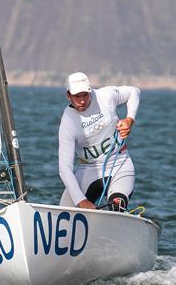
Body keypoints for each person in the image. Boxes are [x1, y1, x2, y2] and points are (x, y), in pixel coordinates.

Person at [58, 72, 140, 211]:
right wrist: (82, 201)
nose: (82, 100)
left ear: (90, 91)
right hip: (88, 169)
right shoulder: (68, 122)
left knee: (117, 205)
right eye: (77, 96)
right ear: (68, 95)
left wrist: (129, 119)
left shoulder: (105, 95)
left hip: (119, 164)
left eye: (85, 95)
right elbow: (64, 169)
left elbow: (134, 91)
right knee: (66, 211)